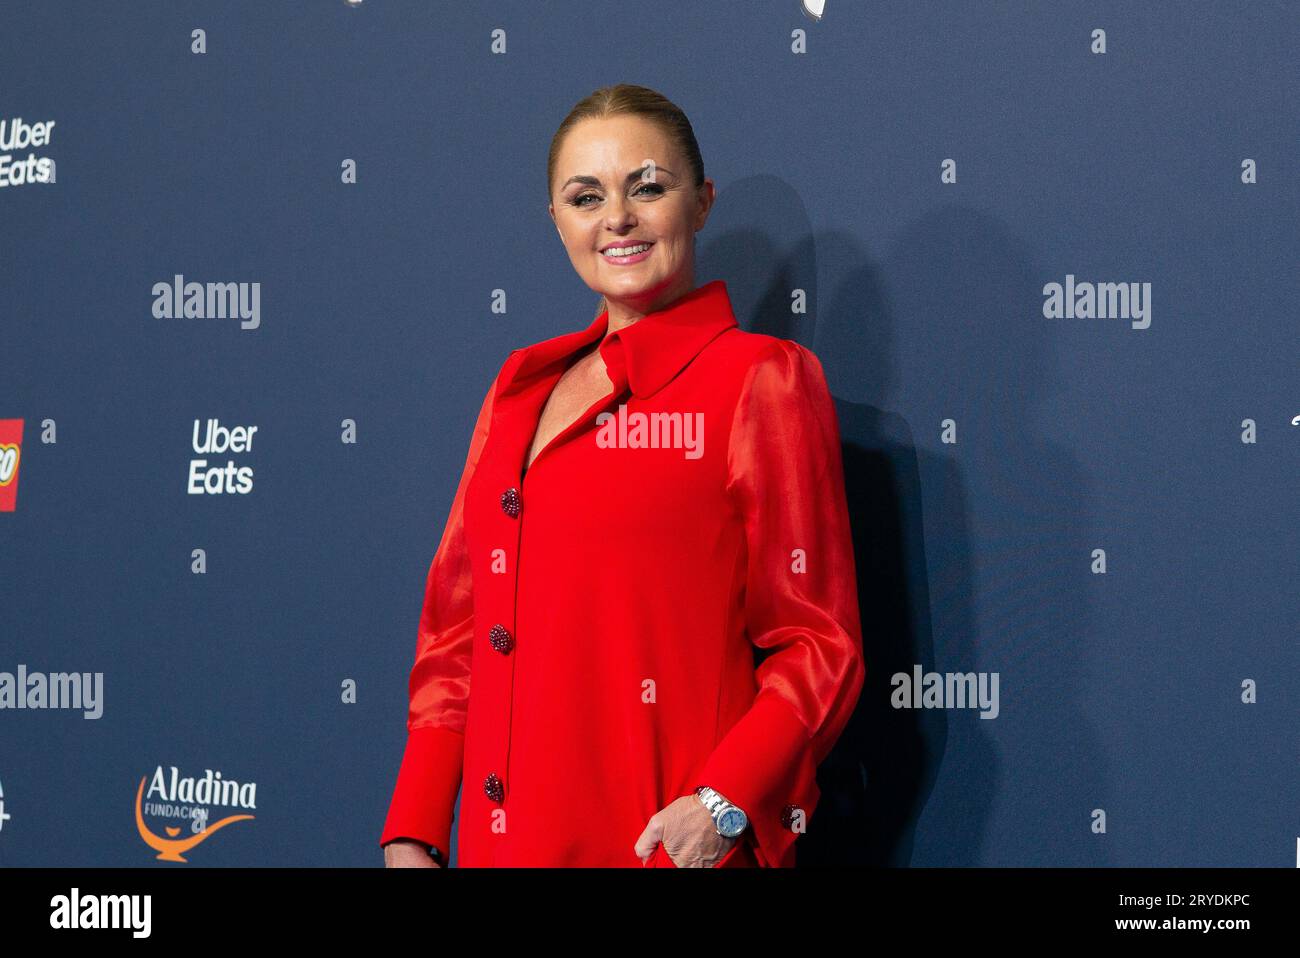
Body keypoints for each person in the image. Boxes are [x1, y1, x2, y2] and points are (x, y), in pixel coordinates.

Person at [381, 83, 864, 868]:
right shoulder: (518, 388)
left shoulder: (760, 379)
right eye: (585, 196)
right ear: (556, 221)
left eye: (648, 186)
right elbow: (456, 634)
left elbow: (818, 642)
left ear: (701, 202)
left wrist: (722, 808)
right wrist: (416, 828)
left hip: (654, 852)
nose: (617, 218)